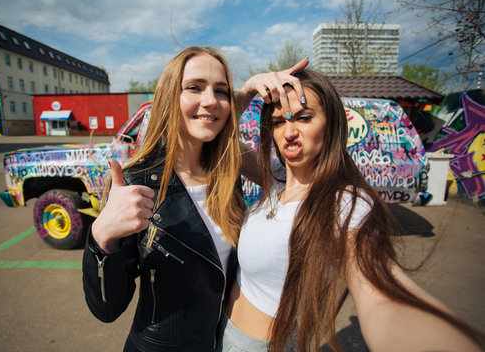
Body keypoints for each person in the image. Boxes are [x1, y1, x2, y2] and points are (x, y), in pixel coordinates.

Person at [218, 69, 484, 352]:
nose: (289, 132)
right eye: (278, 122)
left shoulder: (345, 201)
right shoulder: (274, 178)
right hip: (222, 329)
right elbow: (217, 137)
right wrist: (247, 91)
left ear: (331, 124)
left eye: (304, 117)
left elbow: (380, 292)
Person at [82, 46, 308, 352]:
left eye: (221, 91)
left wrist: (250, 87)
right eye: (194, 87)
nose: (210, 100)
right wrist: (101, 236)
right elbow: (106, 309)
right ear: (169, 98)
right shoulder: (135, 183)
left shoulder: (228, 167)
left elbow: (292, 177)